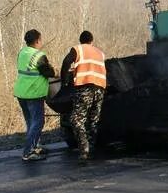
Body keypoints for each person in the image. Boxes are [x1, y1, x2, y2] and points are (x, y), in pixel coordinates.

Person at [61, 31, 106, 162]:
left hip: (84, 87)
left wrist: (64, 81)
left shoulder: (78, 49)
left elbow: (66, 62)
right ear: (92, 41)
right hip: (100, 89)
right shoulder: (100, 53)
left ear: (81, 41)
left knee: (76, 119)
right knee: (93, 120)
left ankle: (84, 148)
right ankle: (91, 149)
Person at [14, 29, 57, 161]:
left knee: (30, 122)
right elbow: (48, 72)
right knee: (38, 122)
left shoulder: (22, 52)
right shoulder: (38, 55)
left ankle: (35, 146)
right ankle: (28, 152)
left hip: (21, 92)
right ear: (37, 41)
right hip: (33, 93)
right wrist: (56, 72)